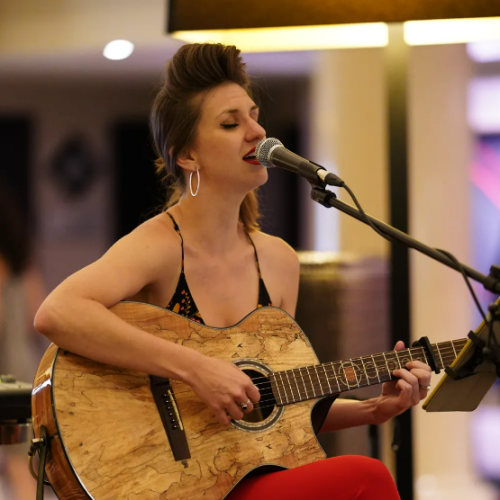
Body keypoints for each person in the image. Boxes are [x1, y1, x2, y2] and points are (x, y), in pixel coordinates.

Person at [34, 43, 432, 499]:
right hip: (173, 483)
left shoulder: (278, 262)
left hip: (245, 476)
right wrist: (198, 369)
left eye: (254, 115)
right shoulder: (161, 245)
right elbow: (57, 312)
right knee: (367, 477)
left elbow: (279, 404)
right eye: (231, 123)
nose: (257, 132)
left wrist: (373, 410)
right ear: (187, 156)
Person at [0, 187, 47, 500]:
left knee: (18, 467)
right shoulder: (20, 260)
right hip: (20, 372)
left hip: (7, 375)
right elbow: (38, 314)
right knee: (22, 467)